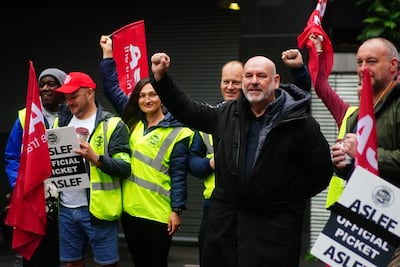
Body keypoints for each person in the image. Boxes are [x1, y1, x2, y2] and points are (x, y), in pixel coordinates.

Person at [149, 52, 333, 266]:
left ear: (275, 82)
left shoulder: (300, 123)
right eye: (248, 76)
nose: (254, 81)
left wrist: (286, 199)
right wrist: (161, 78)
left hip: (274, 234)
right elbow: (187, 109)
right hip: (226, 230)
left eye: (261, 76)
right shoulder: (226, 113)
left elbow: (321, 172)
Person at [188, 50, 311, 265]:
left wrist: (299, 70)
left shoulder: (263, 114)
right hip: (216, 208)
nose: (230, 87)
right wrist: (211, 163)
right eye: (226, 81)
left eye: (235, 82)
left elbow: (298, 99)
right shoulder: (211, 116)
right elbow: (192, 165)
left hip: (256, 214)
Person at [99, 35, 195, 267]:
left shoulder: (178, 131)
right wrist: (108, 55)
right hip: (130, 211)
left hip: (159, 214)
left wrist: (177, 210)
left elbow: (179, 176)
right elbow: (112, 88)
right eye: (142, 95)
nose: (147, 99)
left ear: (162, 97)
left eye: (152, 94)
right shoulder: (133, 120)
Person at [327, 38, 400, 266]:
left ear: (393, 65)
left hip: (393, 222)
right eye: (359, 62)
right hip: (361, 219)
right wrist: (341, 161)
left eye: (371, 61)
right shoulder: (358, 112)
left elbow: (368, 157)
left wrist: (364, 153)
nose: (362, 69)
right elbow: (349, 171)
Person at [53, 71, 131, 267]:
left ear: (90, 93)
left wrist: (96, 159)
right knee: (71, 264)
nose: (69, 102)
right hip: (66, 209)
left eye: (74, 96)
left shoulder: (113, 124)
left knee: (107, 264)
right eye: (66, 97)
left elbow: (124, 168)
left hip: (98, 211)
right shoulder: (59, 123)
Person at [4, 67, 67, 267]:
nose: (45, 88)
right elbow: (12, 156)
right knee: (34, 253)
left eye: (52, 84)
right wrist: (18, 184)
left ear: (63, 87)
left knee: (63, 254)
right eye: (42, 84)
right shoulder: (25, 117)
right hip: (33, 196)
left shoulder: (74, 114)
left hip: (66, 200)